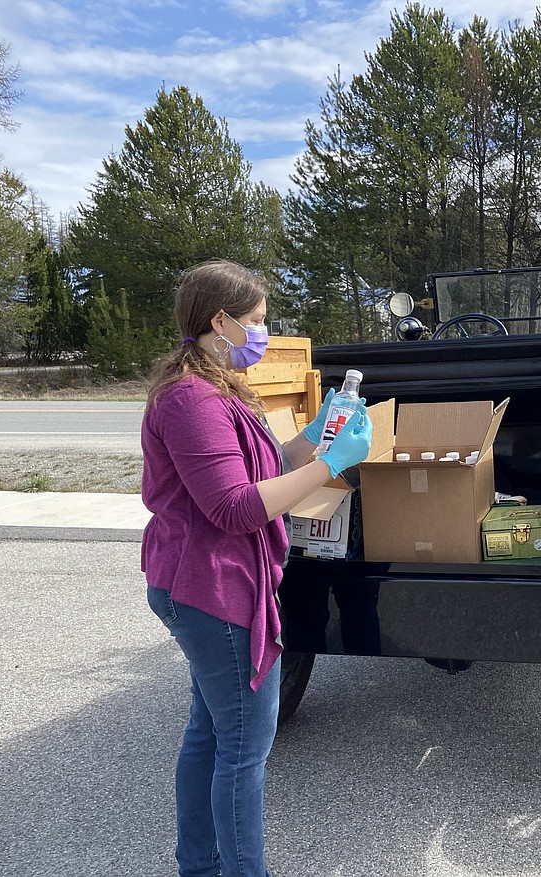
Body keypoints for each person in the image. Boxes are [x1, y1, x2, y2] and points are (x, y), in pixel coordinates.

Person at [141, 259, 372, 877]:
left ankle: (200, 866)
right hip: (210, 588)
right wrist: (331, 467)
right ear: (220, 321)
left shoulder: (218, 389)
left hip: (207, 584)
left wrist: (318, 436)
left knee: (210, 733)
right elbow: (235, 507)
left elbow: (262, 469)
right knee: (242, 748)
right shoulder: (192, 400)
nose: (263, 334)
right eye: (257, 322)